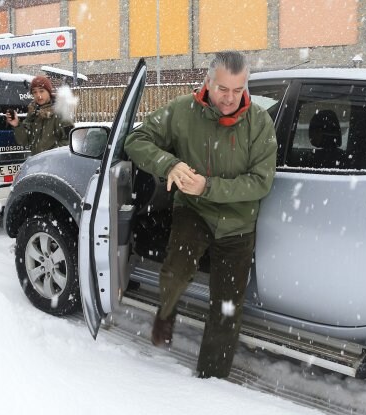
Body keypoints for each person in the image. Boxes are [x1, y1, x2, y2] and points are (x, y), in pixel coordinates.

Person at [124, 51, 277, 379]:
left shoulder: (259, 123)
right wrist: (170, 164)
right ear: (208, 82)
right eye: (223, 89)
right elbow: (136, 139)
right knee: (175, 272)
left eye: (238, 90)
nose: (230, 99)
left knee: (227, 307)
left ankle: (211, 379)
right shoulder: (182, 111)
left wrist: (207, 187)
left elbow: (260, 182)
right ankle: (166, 311)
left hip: (238, 222)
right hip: (193, 211)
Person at [5, 75, 73, 155]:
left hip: (54, 163)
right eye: (34, 92)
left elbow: (70, 141)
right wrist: (16, 125)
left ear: (49, 92)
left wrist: (50, 154)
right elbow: (24, 141)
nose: (38, 95)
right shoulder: (33, 113)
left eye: (41, 91)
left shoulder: (60, 112)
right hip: (38, 162)